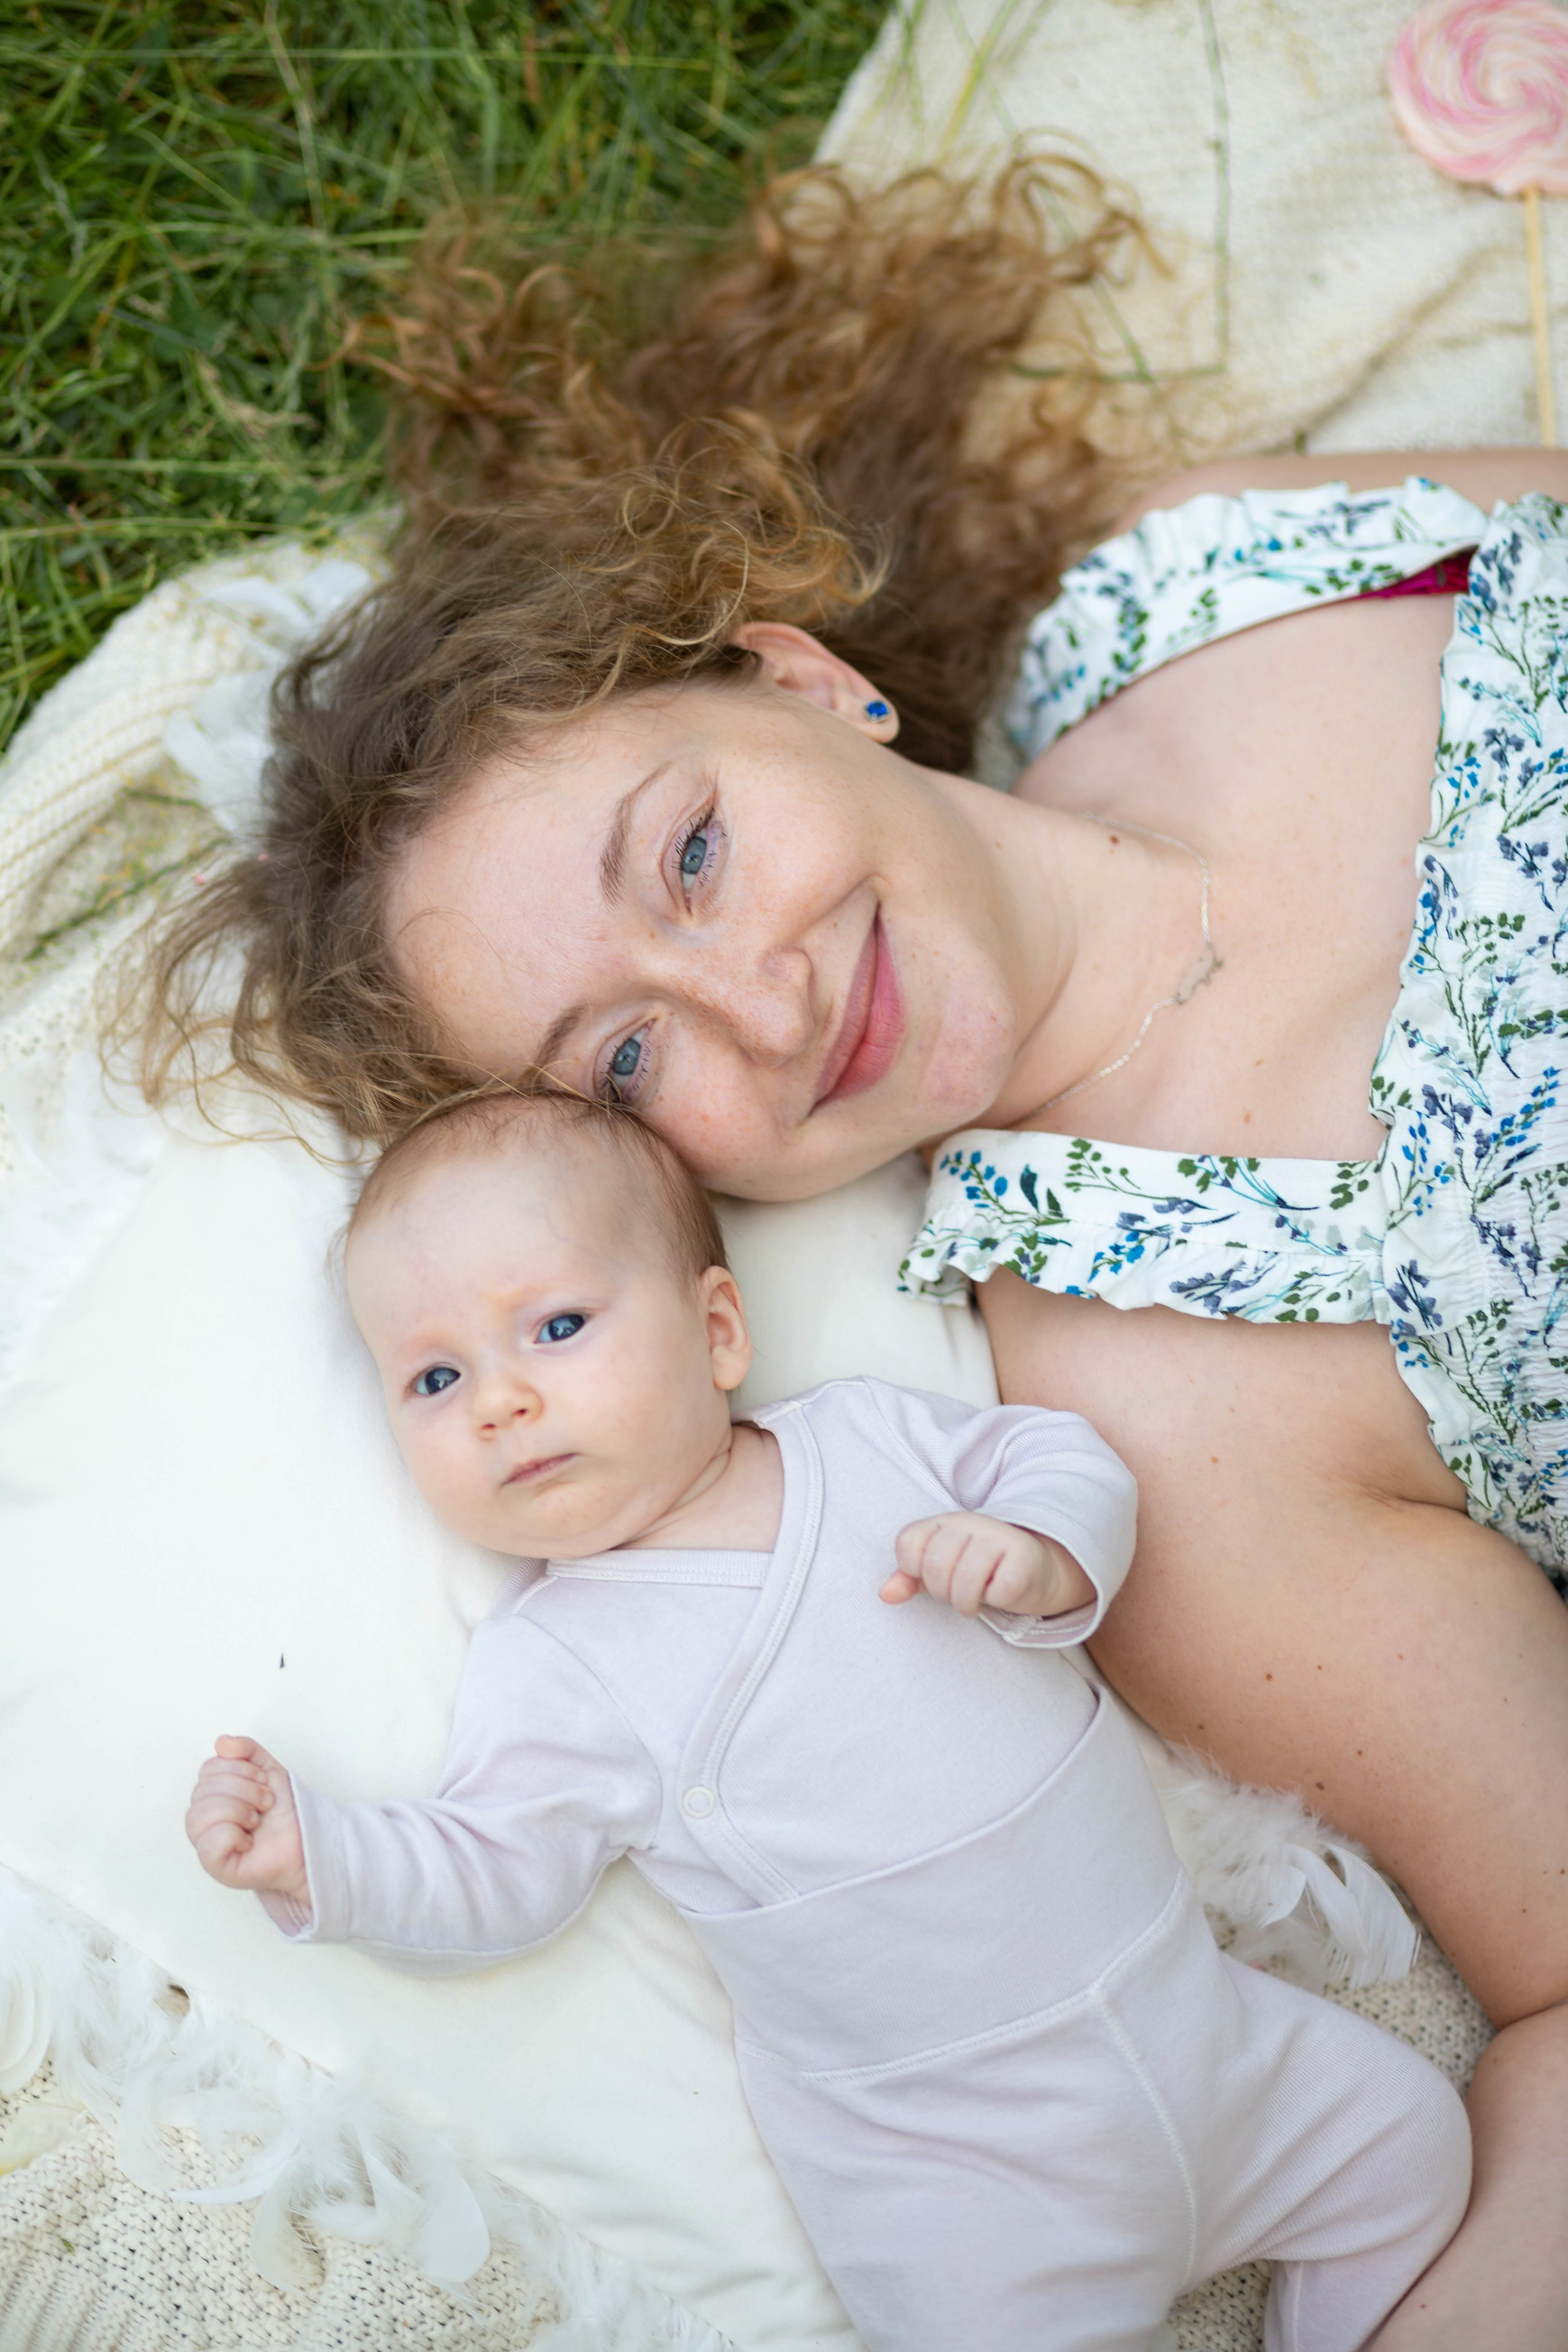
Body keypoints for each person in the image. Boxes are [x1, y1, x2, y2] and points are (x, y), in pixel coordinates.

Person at [136, 165, 1568, 2347]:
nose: (762, 1005)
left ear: (808, 682)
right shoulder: (1161, 1415)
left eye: (694, 851)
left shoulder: (1197, 575)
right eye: (627, 1055)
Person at [186, 1090, 1469, 2352]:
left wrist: (1035, 1549)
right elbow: (494, 1872)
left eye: (559, 1324)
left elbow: (1062, 1456)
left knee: (1412, 2143)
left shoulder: (864, 1442)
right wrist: (324, 1855)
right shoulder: (559, 1663)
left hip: (1212, 2042)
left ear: (718, 1331)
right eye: (433, 1375)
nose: (498, 1400)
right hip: (968, 2181)